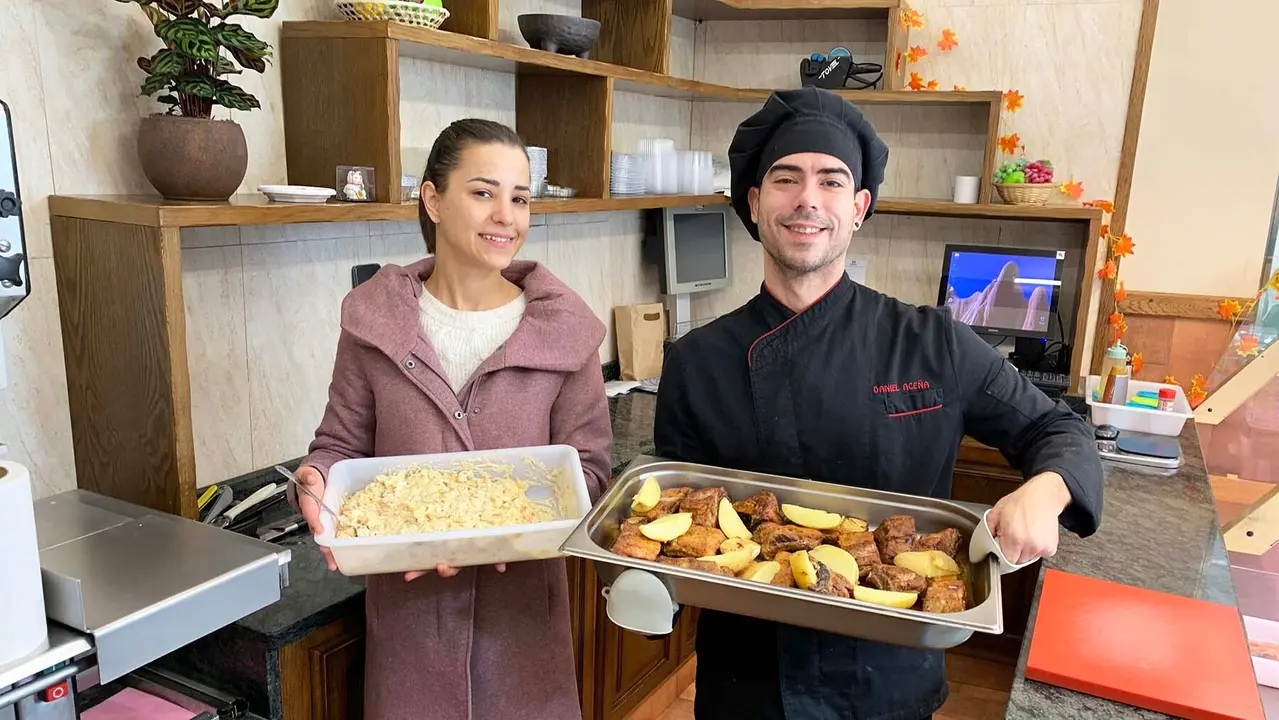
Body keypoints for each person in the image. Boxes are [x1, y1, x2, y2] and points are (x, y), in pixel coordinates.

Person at [654, 87, 1104, 720]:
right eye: (785, 179)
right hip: (749, 684)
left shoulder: (932, 342)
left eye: (831, 181)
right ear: (754, 204)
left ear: (859, 207)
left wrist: (1048, 488)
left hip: (890, 682)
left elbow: (1058, 427)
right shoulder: (696, 360)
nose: (807, 199)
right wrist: (647, 592)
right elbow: (676, 515)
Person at [292, 118, 613, 720]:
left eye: (520, 199)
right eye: (484, 192)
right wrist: (313, 480)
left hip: (523, 631)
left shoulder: (566, 332)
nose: (506, 216)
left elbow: (589, 469)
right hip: (413, 627)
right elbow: (338, 447)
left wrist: (509, 529)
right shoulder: (374, 324)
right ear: (433, 198)